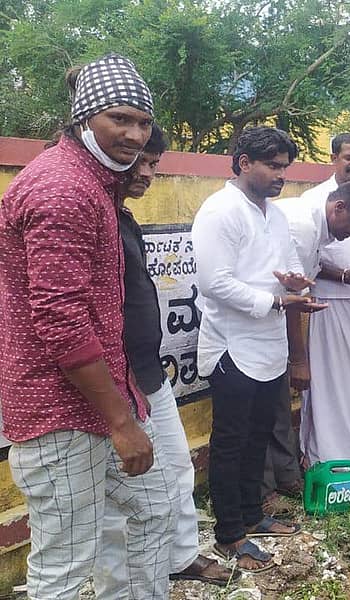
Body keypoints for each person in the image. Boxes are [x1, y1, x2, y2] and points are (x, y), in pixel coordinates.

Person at [0, 54, 176, 599]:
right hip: (60, 412)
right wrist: (122, 423)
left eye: (142, 122)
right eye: (118, 119)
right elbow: (62, 322)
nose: (133, 134)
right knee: (64, 567)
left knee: (155, 506)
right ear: (83, 117)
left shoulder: (94, 183)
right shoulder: (63, 190)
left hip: (97, 404)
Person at [92, 124, 235, 592]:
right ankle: (127, 583)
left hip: (148, 375)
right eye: (146, 162)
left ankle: (179, 556)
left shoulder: (121, 216)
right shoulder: (93, 216)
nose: (150, 173)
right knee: (127, 497)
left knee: (175, 468)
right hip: (114, 380)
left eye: (156, 164)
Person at [192, 126, 326, 573]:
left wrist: (294, 284)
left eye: (285, 167)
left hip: (269, 346)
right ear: (244, 162)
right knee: (231, 442)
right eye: (272, 165)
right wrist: (274, 300)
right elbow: (215, 282)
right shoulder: (220, 210)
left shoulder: (274, 214)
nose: (280, 175)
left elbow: (285, 265)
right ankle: (230, 533)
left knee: (258, 438)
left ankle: (253, 515)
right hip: (233, 347)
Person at [279, 133, 350, 468]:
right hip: (325, 305)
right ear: (334, 158)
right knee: (326, 384)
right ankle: (321, 457)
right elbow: (307, 266)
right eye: (349, 158)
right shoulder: (314, 204)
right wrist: (339, 276)